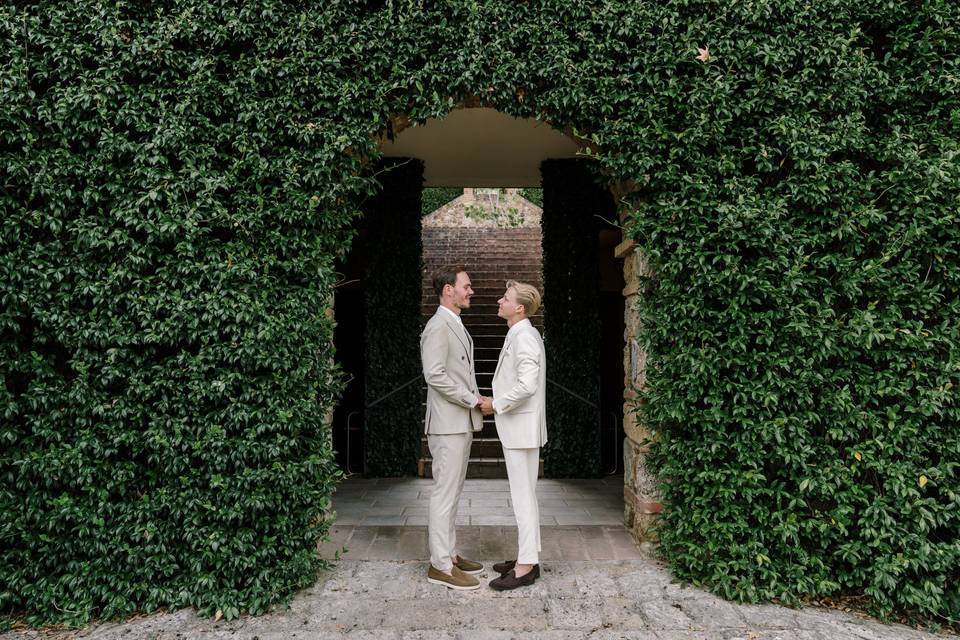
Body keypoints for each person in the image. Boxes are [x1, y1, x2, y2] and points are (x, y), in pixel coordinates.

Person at [420, 266, 487, 590]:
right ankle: (440, 566)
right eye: (466, 285)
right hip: (447, 423)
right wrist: (471, 399)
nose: (470, 291)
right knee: (444, 494)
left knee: (453, 492)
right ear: (448, 289)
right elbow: (434, 375)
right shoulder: (438, 326)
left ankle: (450, 553)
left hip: (457, 422)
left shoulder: (452, 322)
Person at [479, 280, 547, 590]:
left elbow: (527, 385)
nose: (499, 300)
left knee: (523, 498)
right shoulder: (519, 333)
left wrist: (496, 404)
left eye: (505, 298)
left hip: (521, 429)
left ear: (518, 307)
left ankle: (526, 567)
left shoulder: (525, 337)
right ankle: (526, 555)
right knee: (524, 496)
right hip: (519, 428)